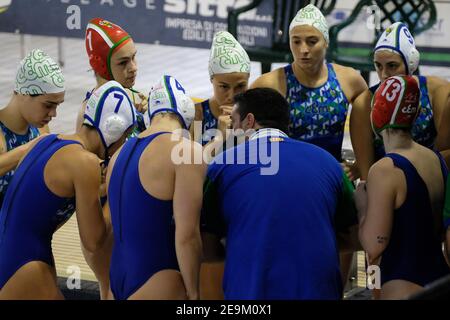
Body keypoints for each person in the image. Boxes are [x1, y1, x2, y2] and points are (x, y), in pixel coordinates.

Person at [201, 88, 359, 299]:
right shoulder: (329, 163)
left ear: (249, 121)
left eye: (234, 125)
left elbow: (206, 246)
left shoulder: (221, 165)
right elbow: (353, 236)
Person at [250, 3, 366, 287]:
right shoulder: (271, 83)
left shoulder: (349, 79)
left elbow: (369, 128)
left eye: (312, 42)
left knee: (338, 258)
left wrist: (360, 165)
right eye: (296, 41)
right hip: (290, 182)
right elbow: (248, 144)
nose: (303, 49)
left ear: (326, 42)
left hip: (332, 179)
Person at [0, 80, 136, 299]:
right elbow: (93, 242)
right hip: (25, 264)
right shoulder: (85, 163)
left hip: (14, 254)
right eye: (126, 135)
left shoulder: (48, 141)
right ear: (113, 130)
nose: (124, 143)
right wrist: (117, 191)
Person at [106, 75, 203, 300]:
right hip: (159, 279)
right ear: (186, 111)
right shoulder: (185, 151)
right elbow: (187, 236)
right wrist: (195, 292)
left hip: (117, 279)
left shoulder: (119, 155)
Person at [355, 75, 450, 300]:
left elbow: (374, 244)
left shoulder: (385, 170)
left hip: (402, 285)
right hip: (439, 280)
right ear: (416, 114)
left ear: (375, 116)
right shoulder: (436, 159)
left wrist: (361, 207)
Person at [351, 22, 450, 180]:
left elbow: (446, 162)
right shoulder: (363, 105)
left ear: (411, 63)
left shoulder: (437, 92)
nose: (383, 75)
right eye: (378, 65)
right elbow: (367, 177)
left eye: (392, 66)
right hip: (384, 186)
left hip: (431, 185)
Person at [0, 49, 65, 206]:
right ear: (24, 93)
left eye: (57, 105)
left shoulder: (40, 130)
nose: (53, 114)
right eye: (48, 105)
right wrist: (30, 148)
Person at [77, 17, 147, 133]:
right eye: (123, 63)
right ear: (101, 66)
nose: (134, 68)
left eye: (133, 57)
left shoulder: (129, 95)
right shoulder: (90, 114)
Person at [191, 31, 250, 147]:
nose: (232, 96)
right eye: (224, 86)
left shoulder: (257, 114)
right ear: (211, 80)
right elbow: (189, 163)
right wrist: (219, 137)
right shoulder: (197, 115)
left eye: (240, 86)